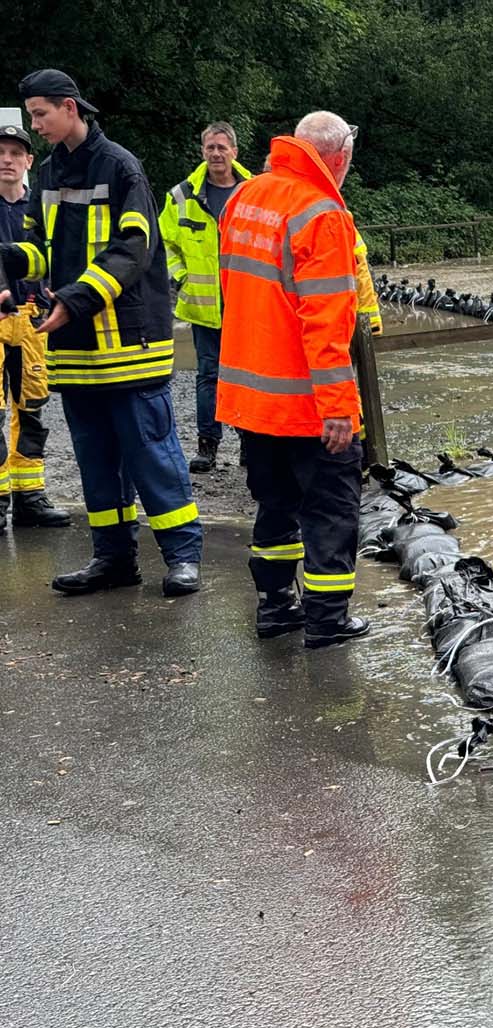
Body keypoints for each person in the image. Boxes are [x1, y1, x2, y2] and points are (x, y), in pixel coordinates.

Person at [0, 70, 201, 596]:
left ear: (70, 108)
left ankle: (183, 557)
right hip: (77, 344)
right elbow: (42, 250)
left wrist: (74, 299)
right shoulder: (46, 173)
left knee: (150, 450)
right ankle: (113, 559)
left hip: (129, 340)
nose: (35, 126)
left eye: (40, 115)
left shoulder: (119, 166)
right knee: (94, 458)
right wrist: (8, 263)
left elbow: (134, 249)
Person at [216, 110, 368, 649]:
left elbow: (238, 296)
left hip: (249, 395)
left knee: (274, 504)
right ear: (339, 157)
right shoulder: (322, 213)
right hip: (304, 402)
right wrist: (338, 408)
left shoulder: (244, 197)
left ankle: (275, 606)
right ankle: (327, 619)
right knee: (330, 509)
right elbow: (326, 323)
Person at [158, 121, 252, 473]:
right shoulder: (181, 196)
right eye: (210, 147)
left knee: (247, 376)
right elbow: (163, 243)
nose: (216, 153)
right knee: (208, 375)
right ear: (202, 152)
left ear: (234, 152)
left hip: (246, 304)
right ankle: (207, 445)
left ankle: (249, 442)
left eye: (222, 147)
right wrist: (181, 277)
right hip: (201, 306)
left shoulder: (253, 192)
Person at [0, 121, 70, 530]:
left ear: (28, 161)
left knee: (32, 409)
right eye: (1, 154)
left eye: (15, 154)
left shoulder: (39, 208)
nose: (7, 161)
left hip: (31, 319)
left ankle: (30, 496)